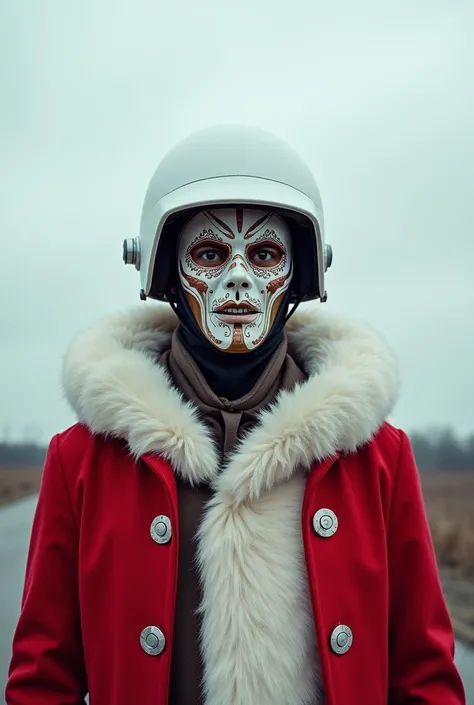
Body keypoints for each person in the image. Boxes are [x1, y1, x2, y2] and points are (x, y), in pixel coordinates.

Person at [6, 125, 465, 705]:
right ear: (163, 270)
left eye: (267, 253)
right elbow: (43, 681)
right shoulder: (80, 460)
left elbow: (425, 677)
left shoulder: (377, 457)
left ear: (302, 271)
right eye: (209, 252)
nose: (240, 277)